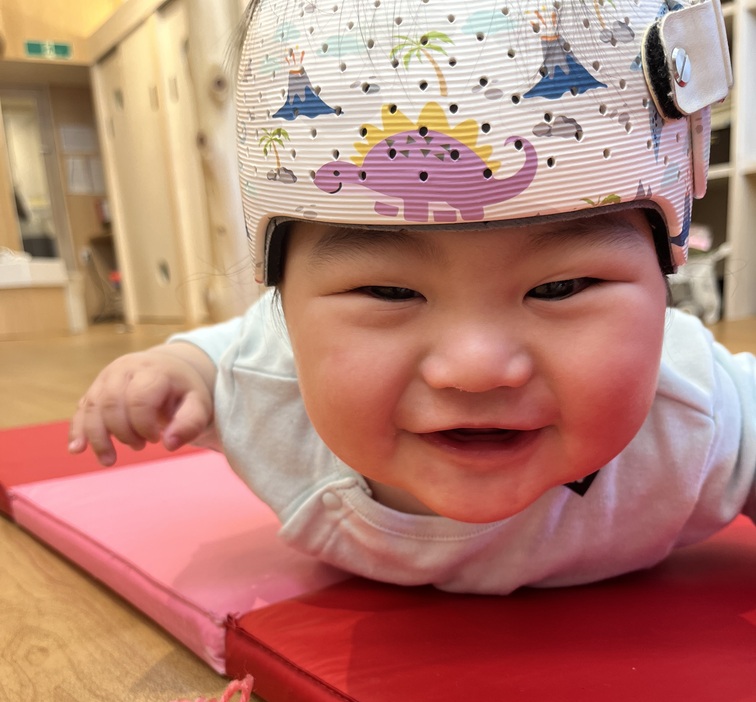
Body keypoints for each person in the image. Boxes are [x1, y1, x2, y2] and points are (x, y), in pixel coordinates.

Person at [69, 0, 751, 594]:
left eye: (561, 287)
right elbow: (235, 353)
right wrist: (182, 367)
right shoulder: (265, 391)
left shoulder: (695, 420)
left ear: (665, 281)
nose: (476, 366)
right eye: (390, 290)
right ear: (285, 303)